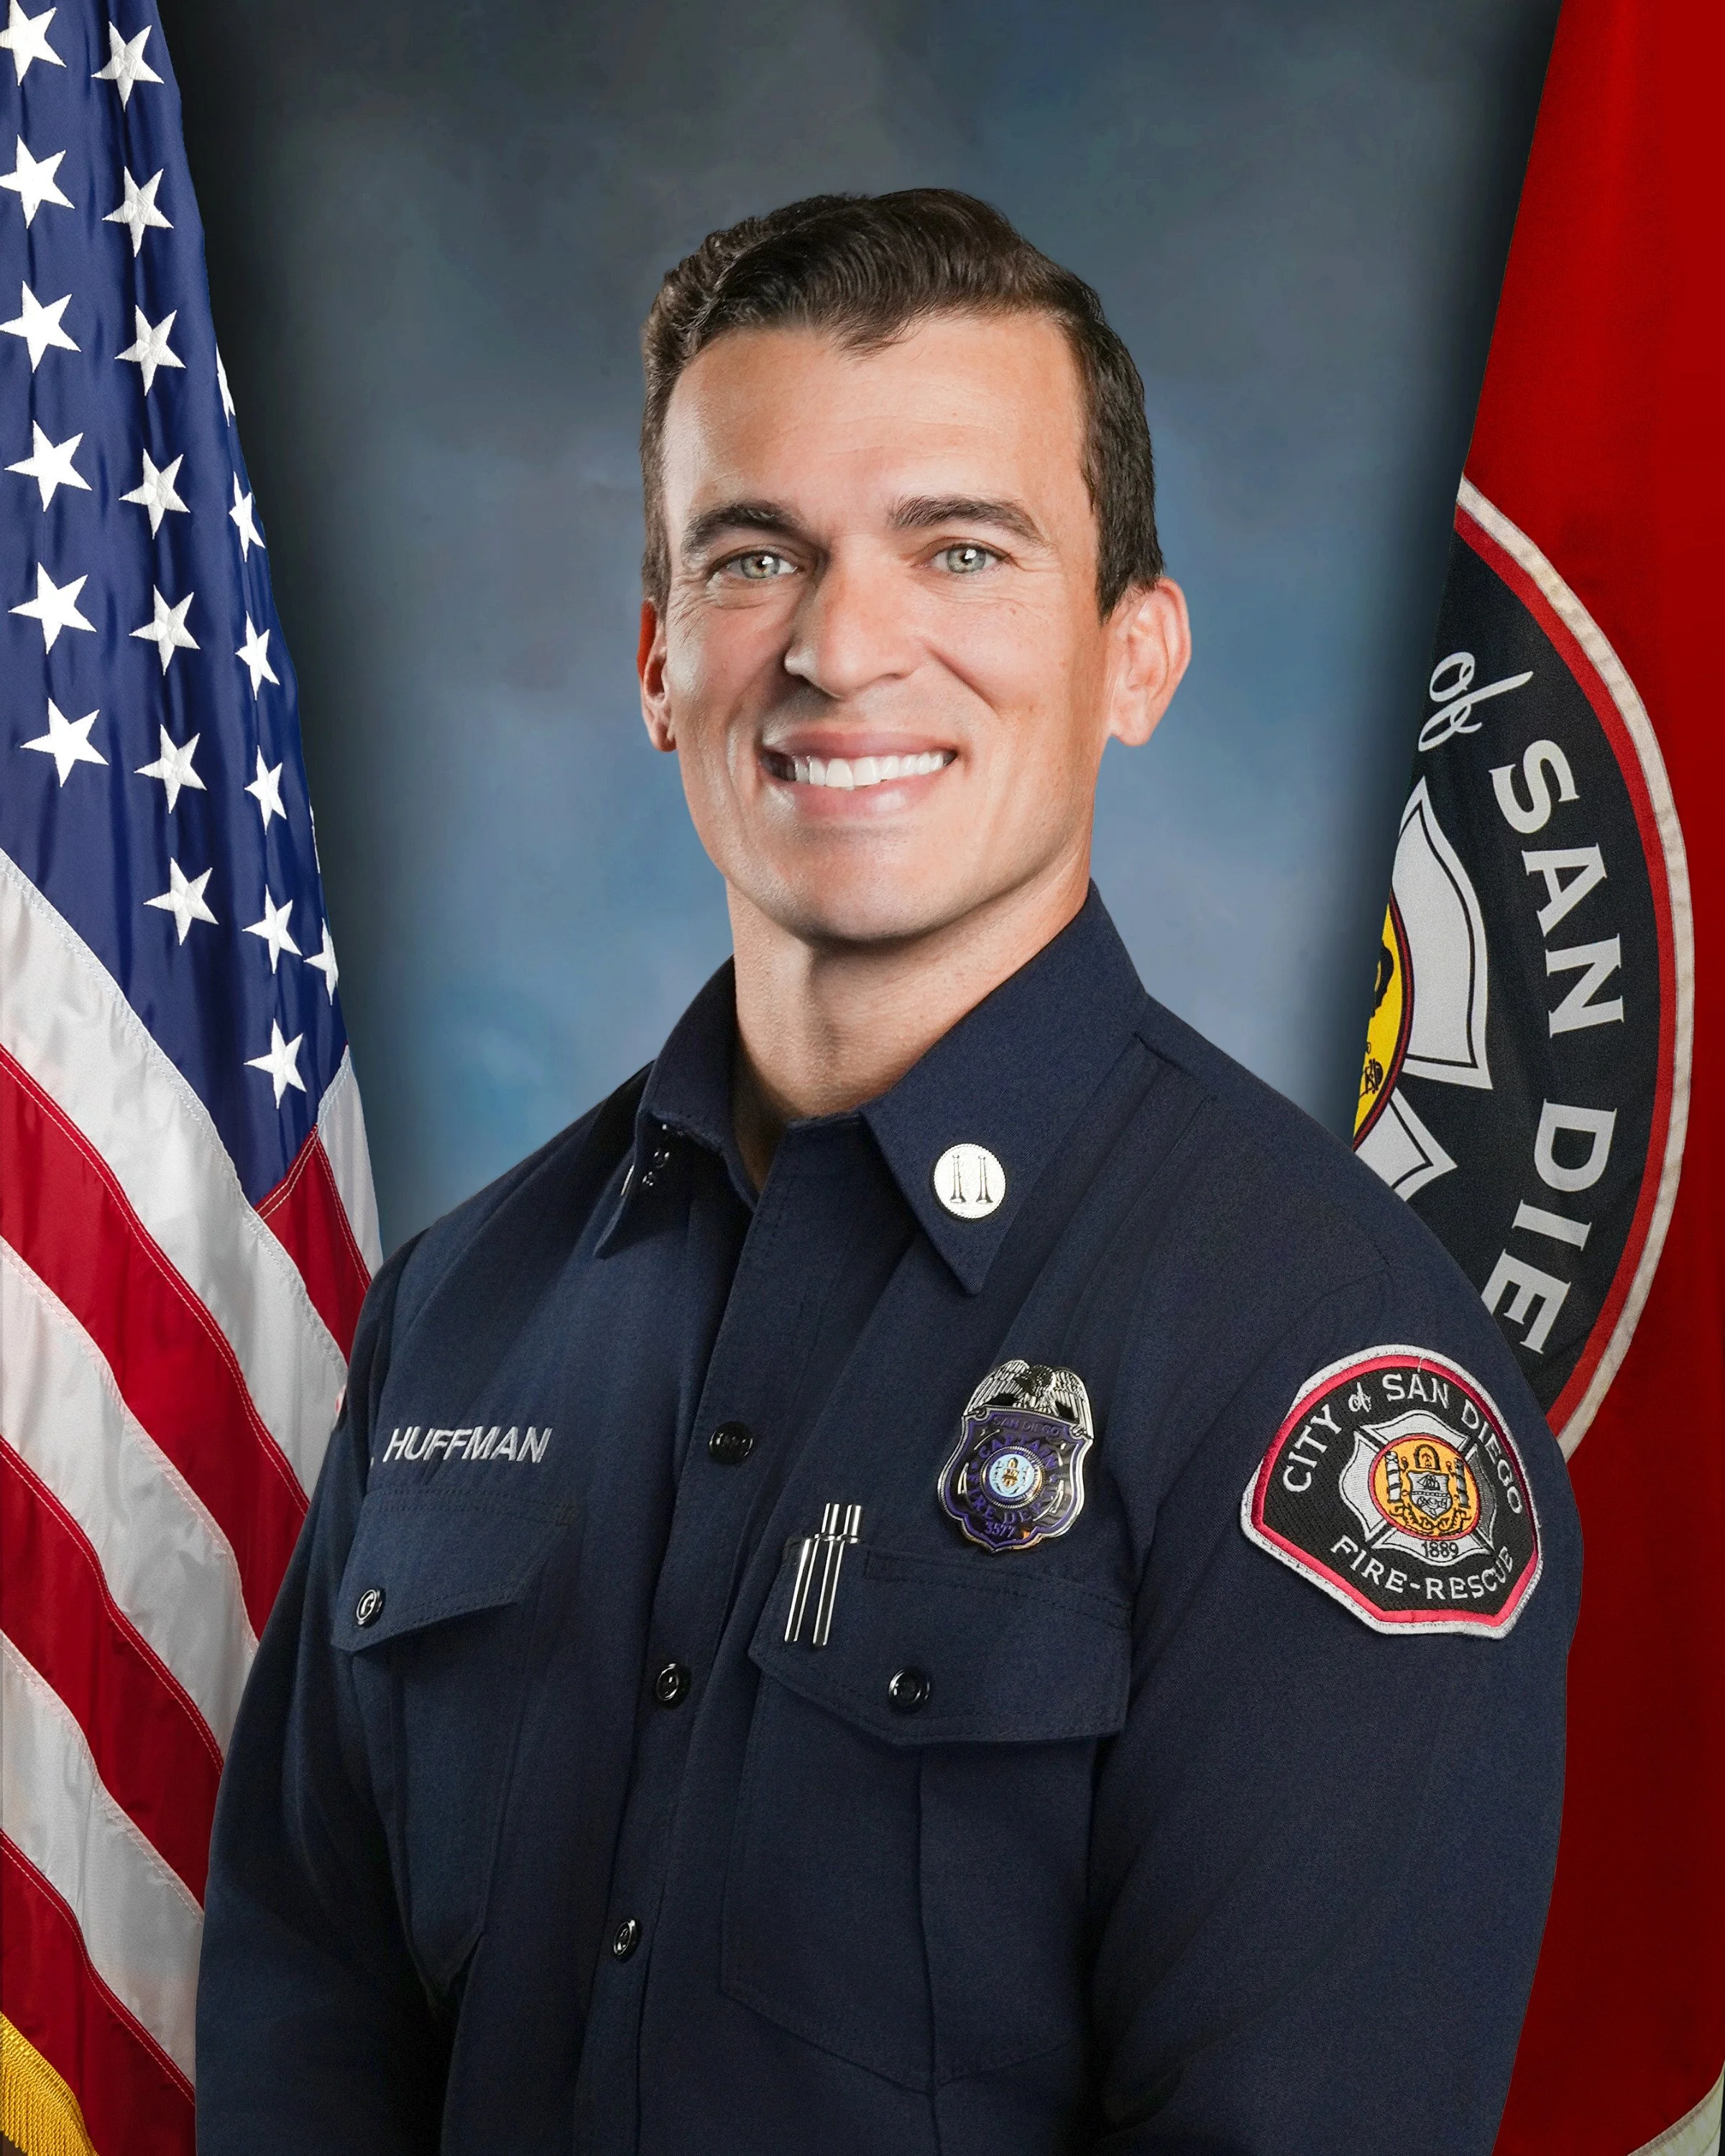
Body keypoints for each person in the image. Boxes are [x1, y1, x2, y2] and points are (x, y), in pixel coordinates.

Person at [197, 189, 1579, 2155]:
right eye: (760, 557)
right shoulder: (463, 1317)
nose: (845, 651)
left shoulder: (1317, 1367)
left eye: (962, 551)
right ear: (663, 659)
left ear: (1139, 654)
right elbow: (299, 2046)